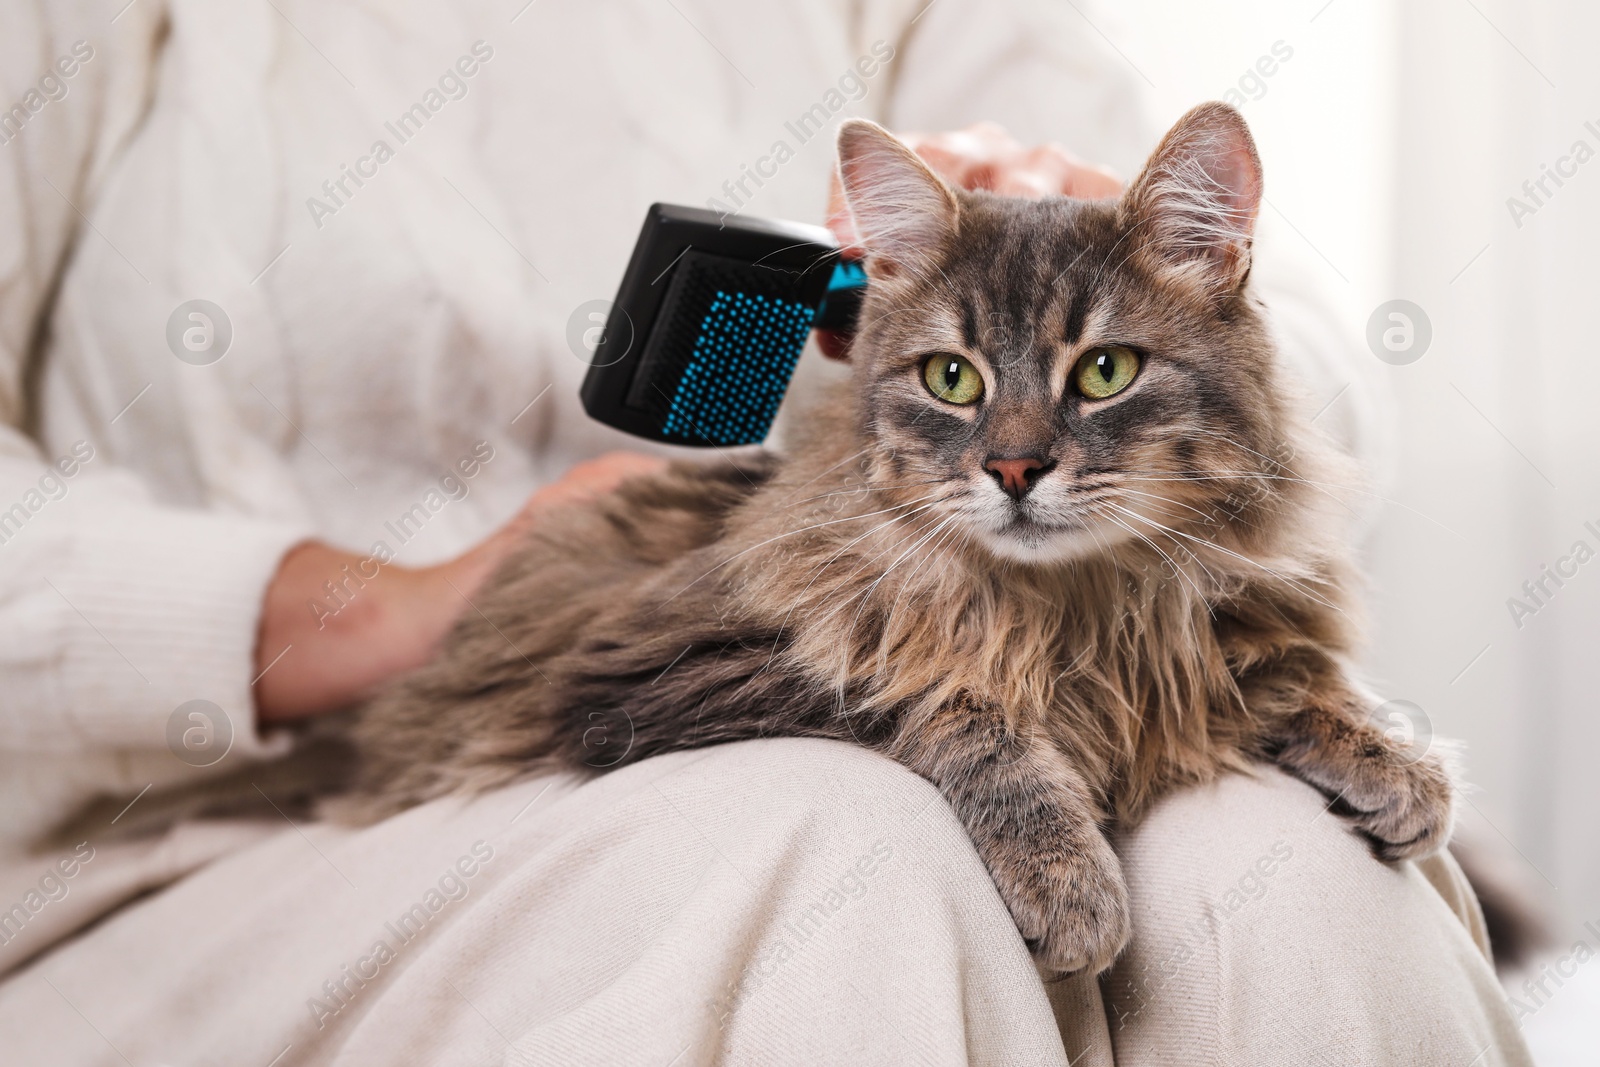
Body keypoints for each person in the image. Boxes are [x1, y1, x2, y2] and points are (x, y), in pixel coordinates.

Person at [0, 1, 1532, 1063]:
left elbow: (1305, 364)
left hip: (933, 628)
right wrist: (382, 607)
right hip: (242, 824)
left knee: (1303, 876)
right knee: (843, 853)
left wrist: (1109, 258)